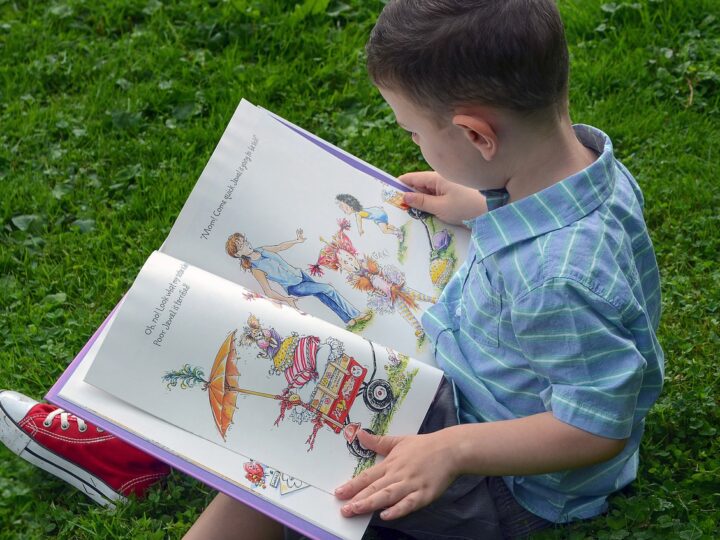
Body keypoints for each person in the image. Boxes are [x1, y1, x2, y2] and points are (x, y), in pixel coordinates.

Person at [185, 1, 664, 539]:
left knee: (279, 461)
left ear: (477, 137)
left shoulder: (552, 280)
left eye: (414, 132)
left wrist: (450, 449)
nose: (413, 142)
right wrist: (479, 203)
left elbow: (595, 428)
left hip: (509, 483)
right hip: (481, 395)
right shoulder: (593, 169)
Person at [224, 228, 371, 328]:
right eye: (242, 246)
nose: (247, 245)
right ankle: (356, 314)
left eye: (245, 241)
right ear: (238, 254)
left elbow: (280, 247)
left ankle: (347, 319)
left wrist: (297, 240)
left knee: (322, 295)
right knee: (329, 289)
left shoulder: (262, 249)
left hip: (300, 275)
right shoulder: (255, 269)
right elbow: (268, 291)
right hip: (294, 287)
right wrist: (286, 299)